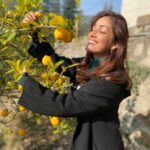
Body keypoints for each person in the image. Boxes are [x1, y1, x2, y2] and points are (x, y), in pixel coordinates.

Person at [18, 11, 132, 150]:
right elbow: (57, 62)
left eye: (101, 31)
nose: (92, 33)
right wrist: (34, 32)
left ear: (115, 43)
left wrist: (25, 83)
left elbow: (64, 104)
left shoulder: (111, 82)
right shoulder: (91, 65)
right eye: (93, 28)